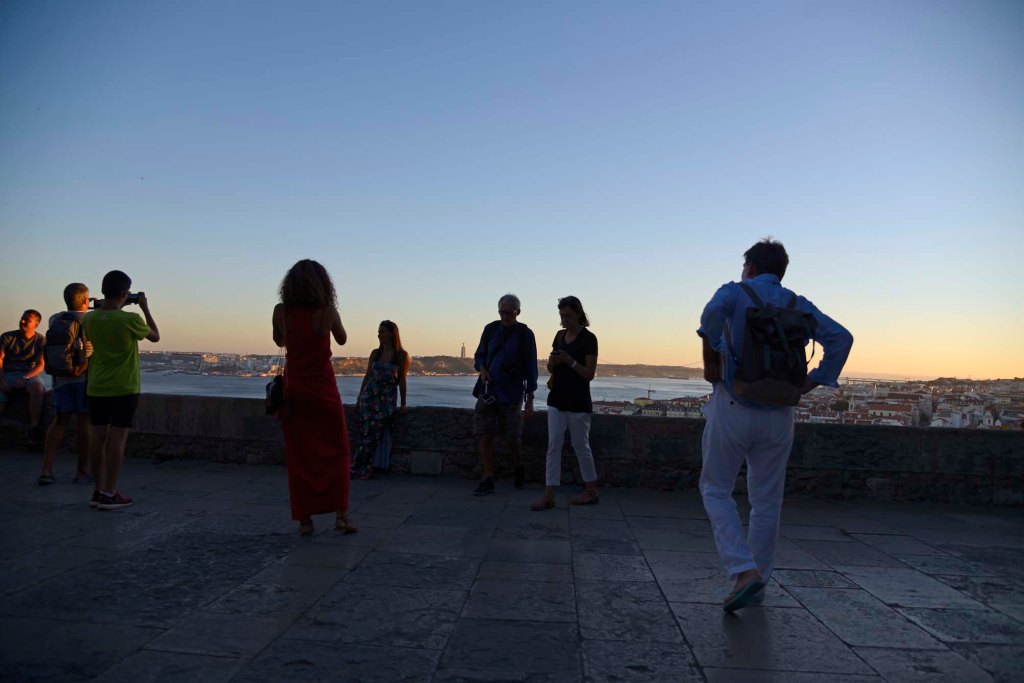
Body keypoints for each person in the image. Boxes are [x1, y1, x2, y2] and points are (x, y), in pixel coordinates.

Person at [697, 239, 853, 612]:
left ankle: (743, 570)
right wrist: (812, 381)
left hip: (735, 404)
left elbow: (710, 317)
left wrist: (715, 356)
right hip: (781, 414)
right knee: (767, 501)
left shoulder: (735, 292)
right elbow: (842, 339)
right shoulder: (797, 303)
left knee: (716, 488)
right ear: (781, 271)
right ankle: (759, 583)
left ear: (749, 266)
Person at [272, 259, 357, 536]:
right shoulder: (327, 312)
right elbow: (342, 339)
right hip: (324, 391)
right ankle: (341, 516)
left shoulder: (281, 312)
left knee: (300, 456)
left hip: (295, 392)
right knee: (338, 451)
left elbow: (279, 341)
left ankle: (305, 521)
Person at [83, 271, 160, 511]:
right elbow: (155, 337)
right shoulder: (131, 320)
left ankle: (97, 490)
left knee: (97, 438)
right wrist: (145, 308)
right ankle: (110, 492)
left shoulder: (89, 319)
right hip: (124, 386)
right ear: (126, 294)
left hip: (96, 385)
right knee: (117, 439)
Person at [531, 296, 600, 511]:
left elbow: (589, 374)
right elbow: (552, 368)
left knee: (581, 446)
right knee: (553, 446)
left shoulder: (589, 339)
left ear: (579, 314)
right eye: (562, 316)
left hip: (578, 400)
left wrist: (569, 361)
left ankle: (590, 491)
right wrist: (553, 362)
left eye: (568, 315)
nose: (564, 320)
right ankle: (549, 494)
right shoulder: (560, 336)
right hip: (557, 397)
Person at [471, 293, 538, 496]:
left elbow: (531, 367)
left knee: (513, 437)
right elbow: (479, 355)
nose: (506, 316)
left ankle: (519, 467)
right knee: (485, 435)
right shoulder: (490, 330)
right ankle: (489, 477)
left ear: (518, 312)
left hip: (512, 393)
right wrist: (482, 369)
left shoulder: (525, 334)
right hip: (488, 391)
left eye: (510, 312)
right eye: (503, 312)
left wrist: (530, 399)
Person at [38, 283, 94, 485]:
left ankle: (46, 470)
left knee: (59, 422)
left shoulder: (55, 319)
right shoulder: (90, 319)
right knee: (84, 424)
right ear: (86, 300)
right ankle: (82, 471)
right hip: (83, 378)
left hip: (60, 379)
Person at [351, 320, 409, 480]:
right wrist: (359, 399)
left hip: (386, 401)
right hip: (369, 398)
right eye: (379, 331)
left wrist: (403, 403)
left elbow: (402, 381)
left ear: (392, 334)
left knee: (372, 435)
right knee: (365, 434)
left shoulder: (401, 356)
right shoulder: (375, 353)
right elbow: (368, 376)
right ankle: (360, 468)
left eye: (382, 331)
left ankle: (360, 467)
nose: (379, 335)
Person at [0, 310, 48, 445]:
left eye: (27, 320)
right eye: (22, 318)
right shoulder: (7, 337)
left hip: (28, 374)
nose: (22, 321)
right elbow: (0, 361)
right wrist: (2, 382)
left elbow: (41, 365)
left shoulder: (41, 340)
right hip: (8, 373)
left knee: (38, 389)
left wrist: (25, 377)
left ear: (36, 324)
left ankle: (34, 428)